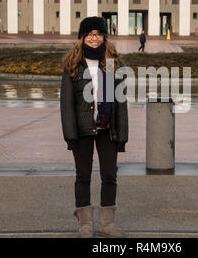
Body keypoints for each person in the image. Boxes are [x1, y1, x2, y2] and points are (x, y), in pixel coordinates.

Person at [60, 16, 129, 238]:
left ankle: (107, 223)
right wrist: (70, 135)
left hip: (107, 129)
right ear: (82, 38)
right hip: (82, 130)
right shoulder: (72, 66)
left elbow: (121, 104)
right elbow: (66, 104)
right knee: (83, 176)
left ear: (104, 37)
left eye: (98, 34)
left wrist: (122, 134)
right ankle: (85, 225)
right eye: (89, 34)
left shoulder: (114, 64)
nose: (94, 38)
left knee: (110, 175)